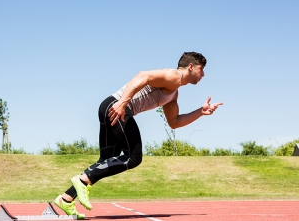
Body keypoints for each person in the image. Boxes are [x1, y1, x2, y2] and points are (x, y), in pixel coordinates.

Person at [53, 52, 223, 219]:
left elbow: (174, 122)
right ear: (191, 66)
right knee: (133, 158)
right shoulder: (174, 76)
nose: (203, 74)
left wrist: (200, 112)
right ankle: (82, 181)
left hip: (109, 106)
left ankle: (66, 199)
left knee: (107, 160)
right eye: (201, 69)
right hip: (118, 107)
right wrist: (123, 102)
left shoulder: (174, 92)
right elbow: (143, 75)